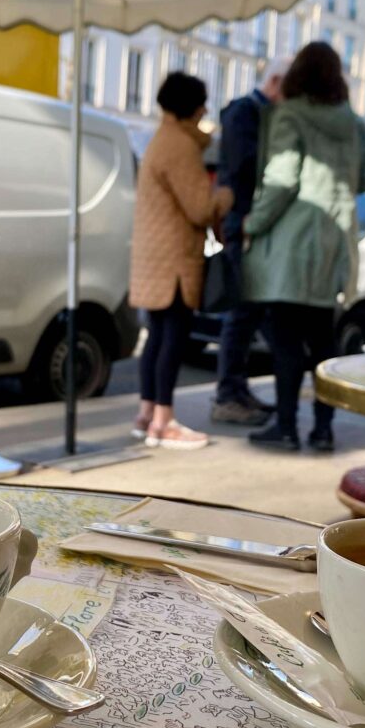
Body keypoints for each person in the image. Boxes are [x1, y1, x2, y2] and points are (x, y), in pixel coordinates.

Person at [241, 42, 365, 452]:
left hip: (292, 241)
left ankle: (286, 427)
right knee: (323, 342)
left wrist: (254, 222)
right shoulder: (353, 124)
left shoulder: (291, 114)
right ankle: (323, 428)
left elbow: (283, 180)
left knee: (284, 341)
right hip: (333, 241)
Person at [130, 72, 234, 450]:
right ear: (190, 106)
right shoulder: (180, 146)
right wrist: (224, 196)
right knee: (172, 338)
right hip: (175, 261)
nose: (206, 109)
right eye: (202, 102)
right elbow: (200, 209)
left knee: (156, 337)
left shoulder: (160, 139)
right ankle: (164, 421)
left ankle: (146, 414)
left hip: (152, 259)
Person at [211, 56, 294, 427]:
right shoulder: (244, 114)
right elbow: (245, 166)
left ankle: (237, 390)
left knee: (250, 313)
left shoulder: (251, 113)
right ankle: (228, 394)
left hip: (249, 222)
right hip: (244, 224)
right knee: (242, 313)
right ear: (276, 82)